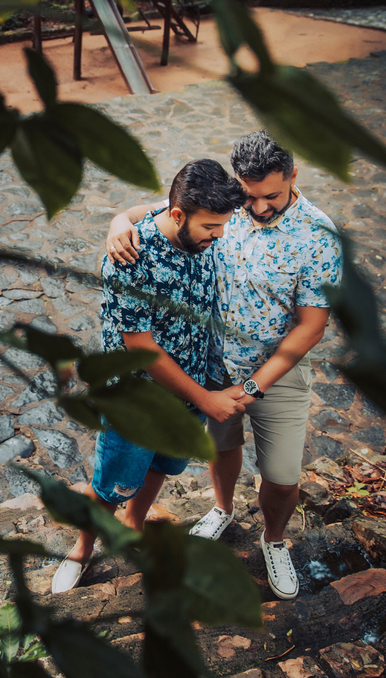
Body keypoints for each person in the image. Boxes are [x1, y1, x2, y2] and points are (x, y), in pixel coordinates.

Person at [104, 131, 342, 600]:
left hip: (276, 373)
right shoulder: (226, 205)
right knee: (222, 449)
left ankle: (274, 539)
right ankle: (223, 508)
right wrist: (116, 223)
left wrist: (253, 388)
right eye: (249, 196)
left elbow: (311, 326)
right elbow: (150, 212)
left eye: (270, 195)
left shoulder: (318, 235)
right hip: (211, 366)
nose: (257, 207)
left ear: (294, 176)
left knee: (282, 477)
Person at [52, 159, 249, 594]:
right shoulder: (129, 258)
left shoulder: (192, 217)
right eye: (212, 228)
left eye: (222, 226)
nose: (220, 236)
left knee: (163, 465)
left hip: (188, 386)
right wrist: (205, 399)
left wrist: (121, 214)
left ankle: (134, 526)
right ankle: (80, 551)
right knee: (110, 483)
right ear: (179, 216)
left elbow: (153, 204)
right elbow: (141, 350)